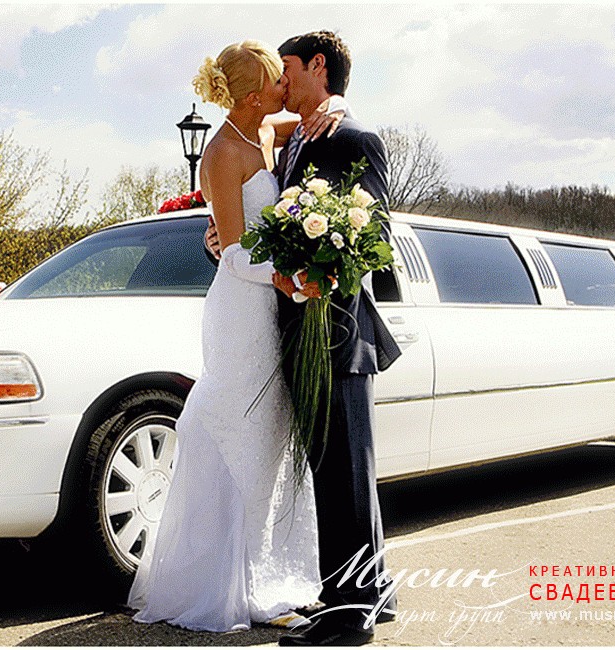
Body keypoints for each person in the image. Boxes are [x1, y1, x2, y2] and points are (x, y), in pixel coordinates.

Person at [205, 31, 402, 647]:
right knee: (337, 469)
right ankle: (373, 590)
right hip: (292, 328)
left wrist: (319, 269)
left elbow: (375, 234)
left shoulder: (352, 137)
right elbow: (248, 223)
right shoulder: (289, 138)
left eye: (287, 68)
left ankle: (349, 611)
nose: (281, 81)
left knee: (345, 472)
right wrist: (223, 241)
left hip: (335, 330)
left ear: (319, 67)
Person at [126, 40, 327, 633]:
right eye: (275, 81)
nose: (284, 87)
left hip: (271, 308)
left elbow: (318, 114)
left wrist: (335, 102)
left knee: (269, 435)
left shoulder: (265, 131)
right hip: (241, 312)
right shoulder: (220, 152)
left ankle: (264, 577)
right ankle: (221, 585)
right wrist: (285, 278)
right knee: (234, 430)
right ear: (252, 95)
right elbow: (235, 254)